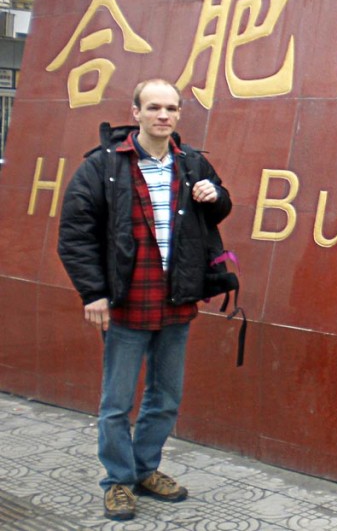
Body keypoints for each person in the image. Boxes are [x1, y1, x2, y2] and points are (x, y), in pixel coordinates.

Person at [58, 78, 232, 521]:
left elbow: (219, 207)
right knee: (116, 402)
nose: (164, 116)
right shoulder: (103, 166)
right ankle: (117, 480)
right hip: (125, 302)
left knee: (166, 396)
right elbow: (75, 235)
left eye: (171, 109)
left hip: (177, 297)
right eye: (154, 108)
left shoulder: (191, 163)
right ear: (135, 112)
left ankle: (144, 468)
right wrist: (93, 292)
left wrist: (215, 196)